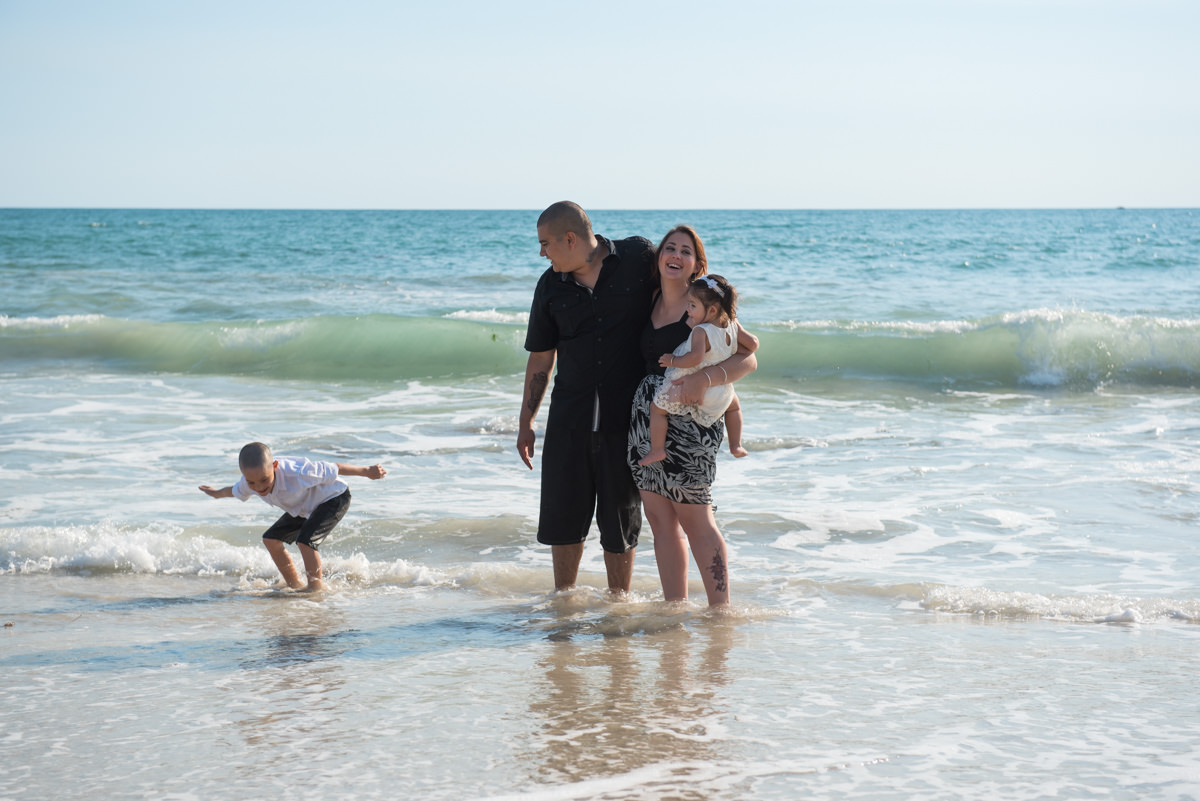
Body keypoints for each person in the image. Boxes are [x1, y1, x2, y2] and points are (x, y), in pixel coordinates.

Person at [518, 201, 656, 595]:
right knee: (563, 519)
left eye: (545, 243)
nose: (542, 252)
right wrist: (526, 422)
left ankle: (619, 605)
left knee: (621, 521)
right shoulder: (549, 286)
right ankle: (564, 603)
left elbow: (681, 290)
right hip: (569, 420)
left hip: (626, 420)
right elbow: (542, 358)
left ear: (571, 238)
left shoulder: (636, 258)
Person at [628, 226, 759, 607]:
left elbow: (749, 355)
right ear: (659, 257)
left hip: (691, 421)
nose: (675, 254)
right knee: (659, 519)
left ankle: (721, 612)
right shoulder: (647, 300)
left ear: (697, 265)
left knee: (696, 519)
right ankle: (675, 610)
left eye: (686, 251)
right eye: (669, 247)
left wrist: (705, 377)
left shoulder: (707, 306)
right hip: (647, 417)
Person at [198, 442, 387, 592]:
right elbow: (232, 491)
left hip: (334, 497)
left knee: (305, 541)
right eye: (252, 482)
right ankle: (294, 585)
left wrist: (367, 471)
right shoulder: (250, 483)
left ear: (275, 466)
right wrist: (215, 493)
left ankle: (315, 588)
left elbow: (334, 468)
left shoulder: (297, 472)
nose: (259, 487)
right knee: (270, 540)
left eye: (265, 479)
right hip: (304, 508)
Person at [638, 274, 745, 466]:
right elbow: (753, 344)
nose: (688, 309)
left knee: (657, 409)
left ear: (711, 310)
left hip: (690, 386)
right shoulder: (731, 325)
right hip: (721, 389)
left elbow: (695, 358)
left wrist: (673, 360)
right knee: (734, 407)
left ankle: (657, 450)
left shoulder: (700, 331)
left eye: (693, 306)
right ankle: (736, 445)